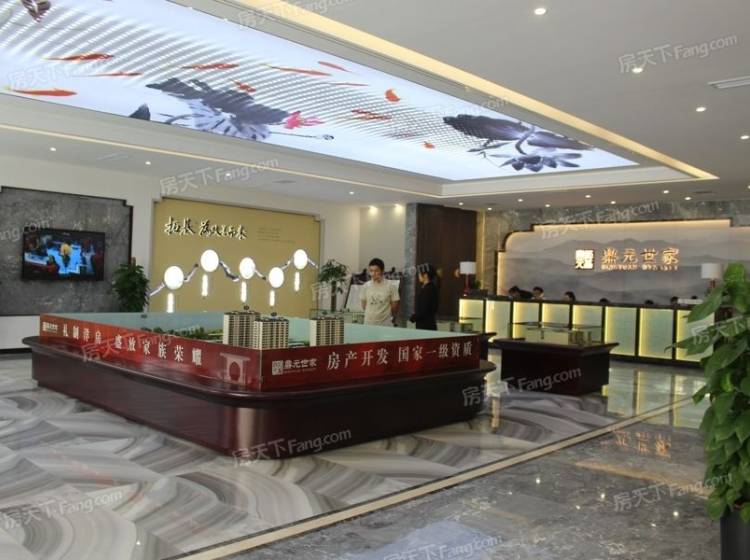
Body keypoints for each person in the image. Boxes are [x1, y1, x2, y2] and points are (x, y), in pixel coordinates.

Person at [361, 258, 400, 326]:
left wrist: (385, 314)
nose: (373, 273)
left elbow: (394, 306)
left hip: (385, 324)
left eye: (376, 271)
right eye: (371, 271)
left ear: (382, 271)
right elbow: (364, 305)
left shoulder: (390, 286)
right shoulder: (365, 286)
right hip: (368, 323)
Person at [410, 264, 439, 330]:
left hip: (425, 325)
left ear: (425, 275)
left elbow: (423, 310)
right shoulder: (431, 288)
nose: (418, 275)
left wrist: (413, 317)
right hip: (428, 324)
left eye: (420, 273)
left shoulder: (427, 290)